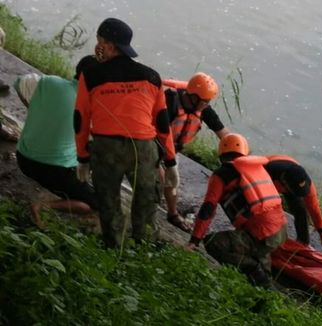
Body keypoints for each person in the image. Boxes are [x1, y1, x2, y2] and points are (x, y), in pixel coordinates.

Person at [74, 18, 175, 247]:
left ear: (109, 45)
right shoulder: (151, 76)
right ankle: (144, 246)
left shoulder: (89, 75)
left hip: (105, 147)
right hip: (144, 149)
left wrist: (82, 157)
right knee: (147, 201)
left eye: (99, 41)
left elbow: (81, 119)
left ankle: (113, 246)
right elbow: (162, 123)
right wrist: (171, 161)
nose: (97, 46)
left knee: (108, 202)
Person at [185, 133, 287, 288]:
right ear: (245, 152)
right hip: (280, 231)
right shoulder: (258, 167)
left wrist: (194, 240)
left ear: (221, 155)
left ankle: (252, 268)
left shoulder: (221, 175)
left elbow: (208, 209)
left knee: (214, 243)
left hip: (260, 233)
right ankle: (264, 290)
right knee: (261, 269)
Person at [14, 55, 99, 228]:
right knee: (95, 204)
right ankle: (44, 206)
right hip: (53, 170)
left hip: (23, 158)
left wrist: (36, 110)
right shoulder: (92, 108)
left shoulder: (49, 82)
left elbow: (19, 83)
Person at [159, 73, 230, 231]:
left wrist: (235, 151)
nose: (206, 105)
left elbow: (223, 133)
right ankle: (169, 211)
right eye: (204, 102)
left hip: (173, 150)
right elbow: (160, 132)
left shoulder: (203, 108)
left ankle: (172, 213)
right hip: (154, 143)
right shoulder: (169, 101)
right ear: (191, 97)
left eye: (208, 102)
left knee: (171, 181)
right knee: (164, 180)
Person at [264, 154, 322, 254]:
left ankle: (303, 243)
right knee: (268, 210)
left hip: (291, 183)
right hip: (270, 181)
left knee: (300, 209)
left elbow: (314, 210)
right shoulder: (266, 170)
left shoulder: (307, 185)